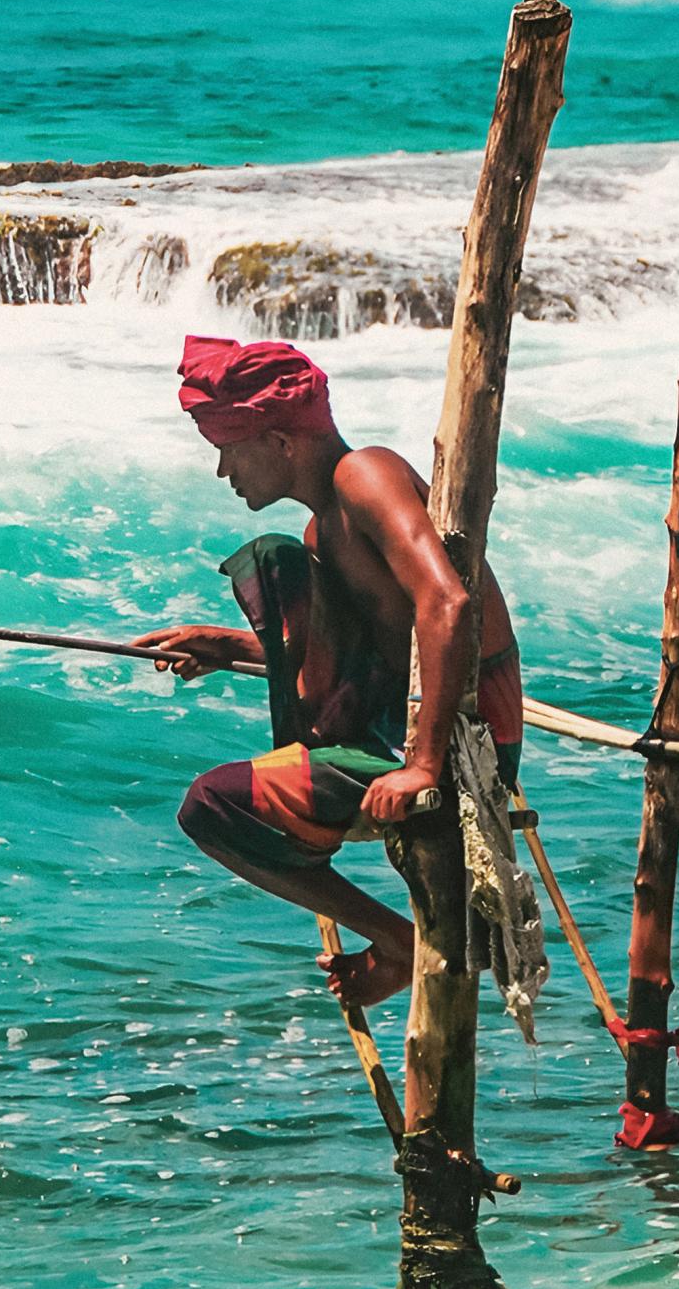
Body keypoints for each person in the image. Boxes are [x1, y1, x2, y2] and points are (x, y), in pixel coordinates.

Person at [143, 334, 522, 1012]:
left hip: (468, 734)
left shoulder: (364, 476)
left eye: (229, 448)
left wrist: (424, 767)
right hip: (405, 717)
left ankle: (398, 941)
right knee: (281, 564)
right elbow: (369, 650)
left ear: (283, 441)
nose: (224, 471)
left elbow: (447, 601)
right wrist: (226, 649)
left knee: (212, 805)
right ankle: (395, 931)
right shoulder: (325, 529)